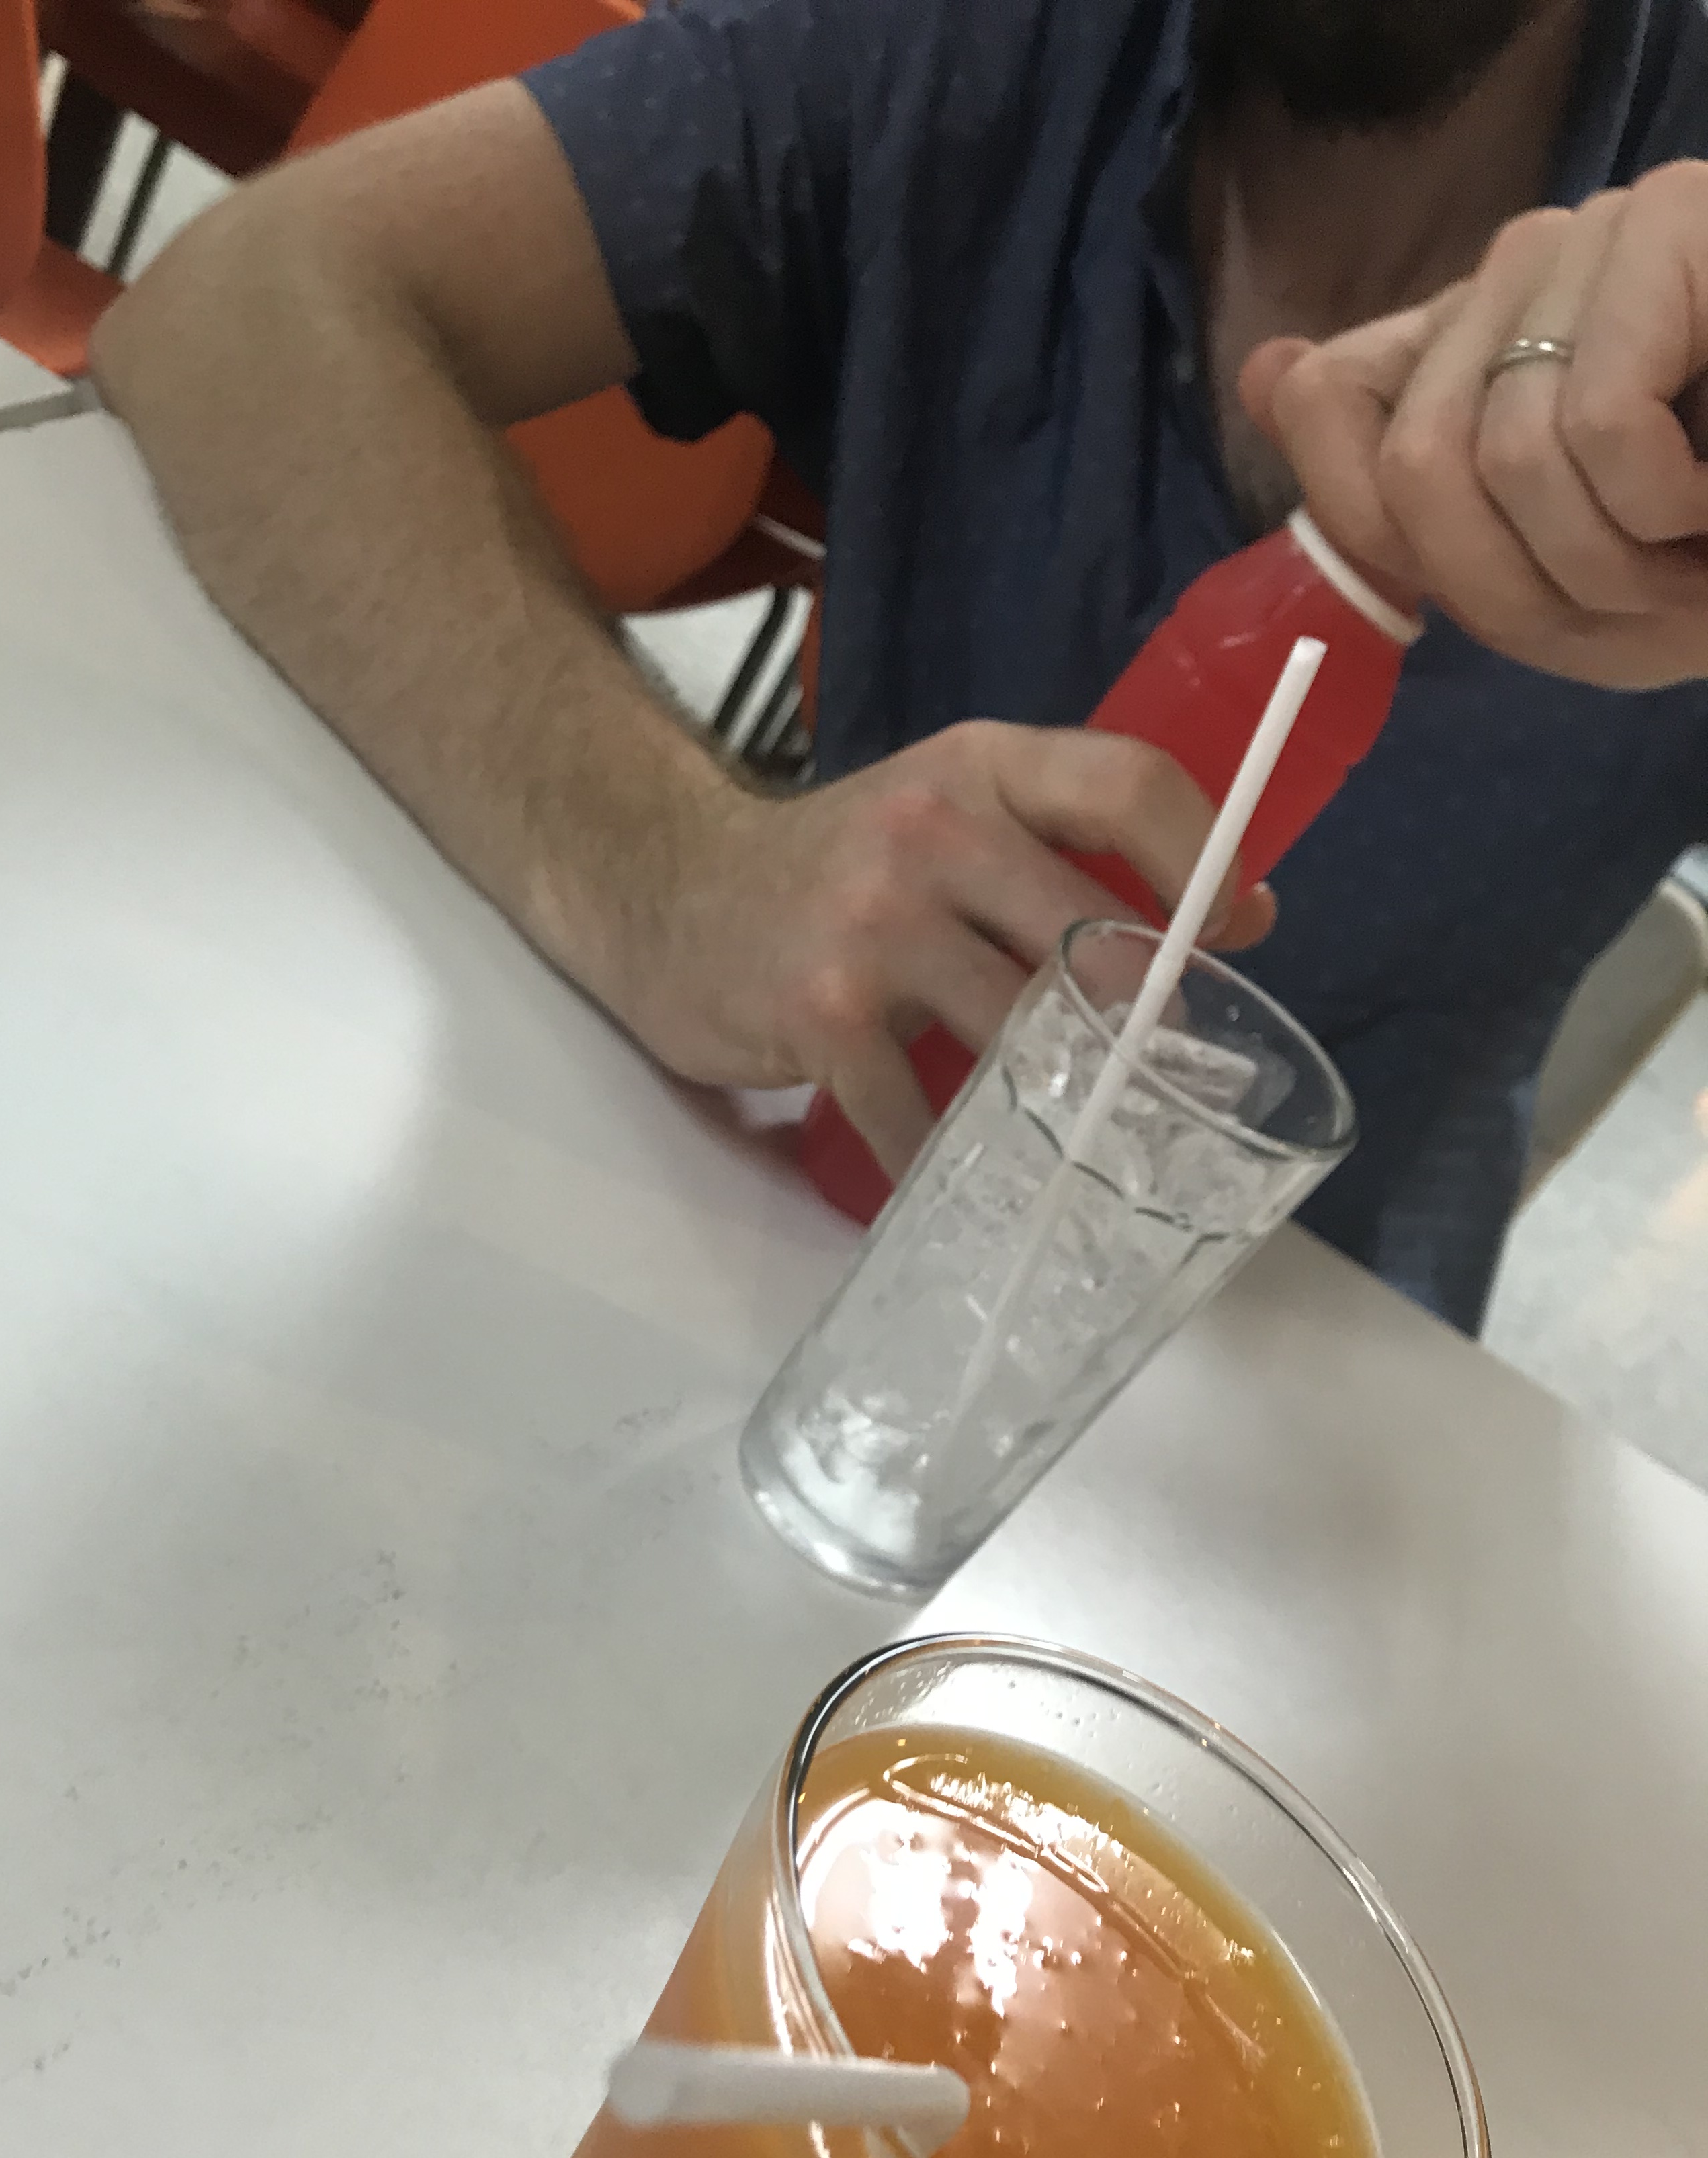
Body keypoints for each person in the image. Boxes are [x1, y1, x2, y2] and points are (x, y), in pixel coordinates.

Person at [93, 0, 1708, 1332]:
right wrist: (660, 864)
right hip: (783, 1234)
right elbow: (249, 300)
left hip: (1314, 1412)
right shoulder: (964, 43)